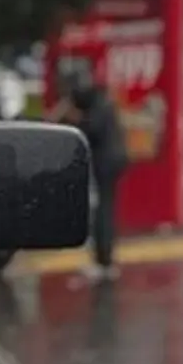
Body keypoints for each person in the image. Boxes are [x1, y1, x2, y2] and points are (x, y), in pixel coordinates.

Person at [62, 63, 128, 280]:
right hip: (112, 160)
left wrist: (75, 119)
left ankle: (104, 260)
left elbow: (93, 127)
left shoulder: (100, 103)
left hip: (107, 162)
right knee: (104, 209)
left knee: (104, 212)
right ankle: (104, 258)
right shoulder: (102, 100)